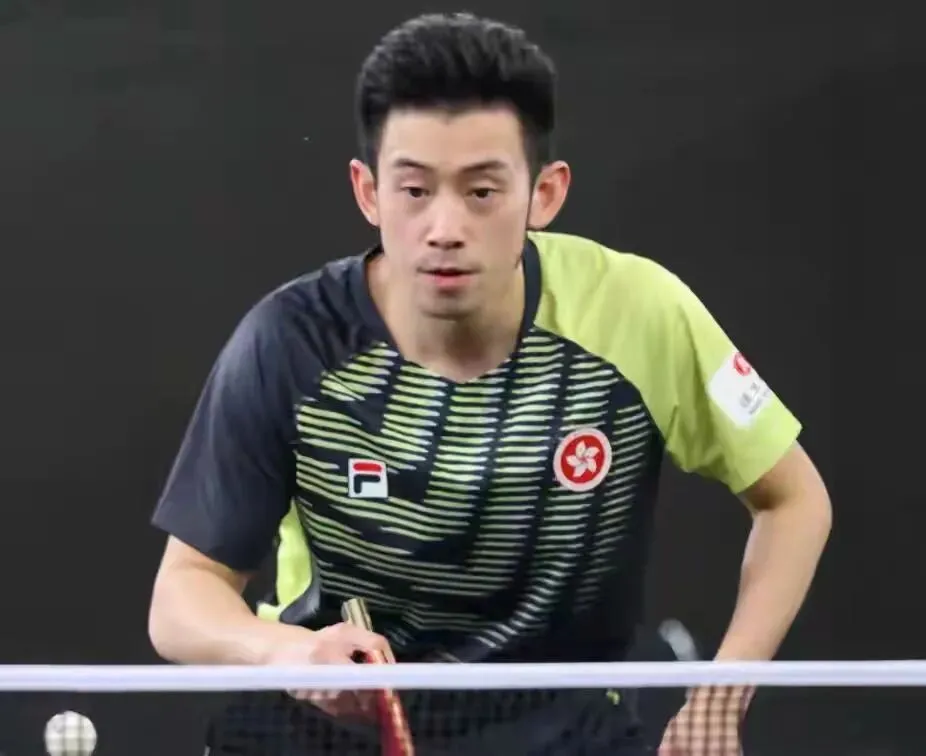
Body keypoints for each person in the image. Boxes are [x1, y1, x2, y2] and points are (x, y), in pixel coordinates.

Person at [148, 12, 832, 755]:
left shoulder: (640, 313)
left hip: (566, 736)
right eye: (415, 190)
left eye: (481, 192)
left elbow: (795, 501)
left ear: (545, 193)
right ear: (368, 192)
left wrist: (718, 701)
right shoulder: (289, 342)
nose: (444, 227)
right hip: (328, 731)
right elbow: (182, 595)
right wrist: (286, 652)